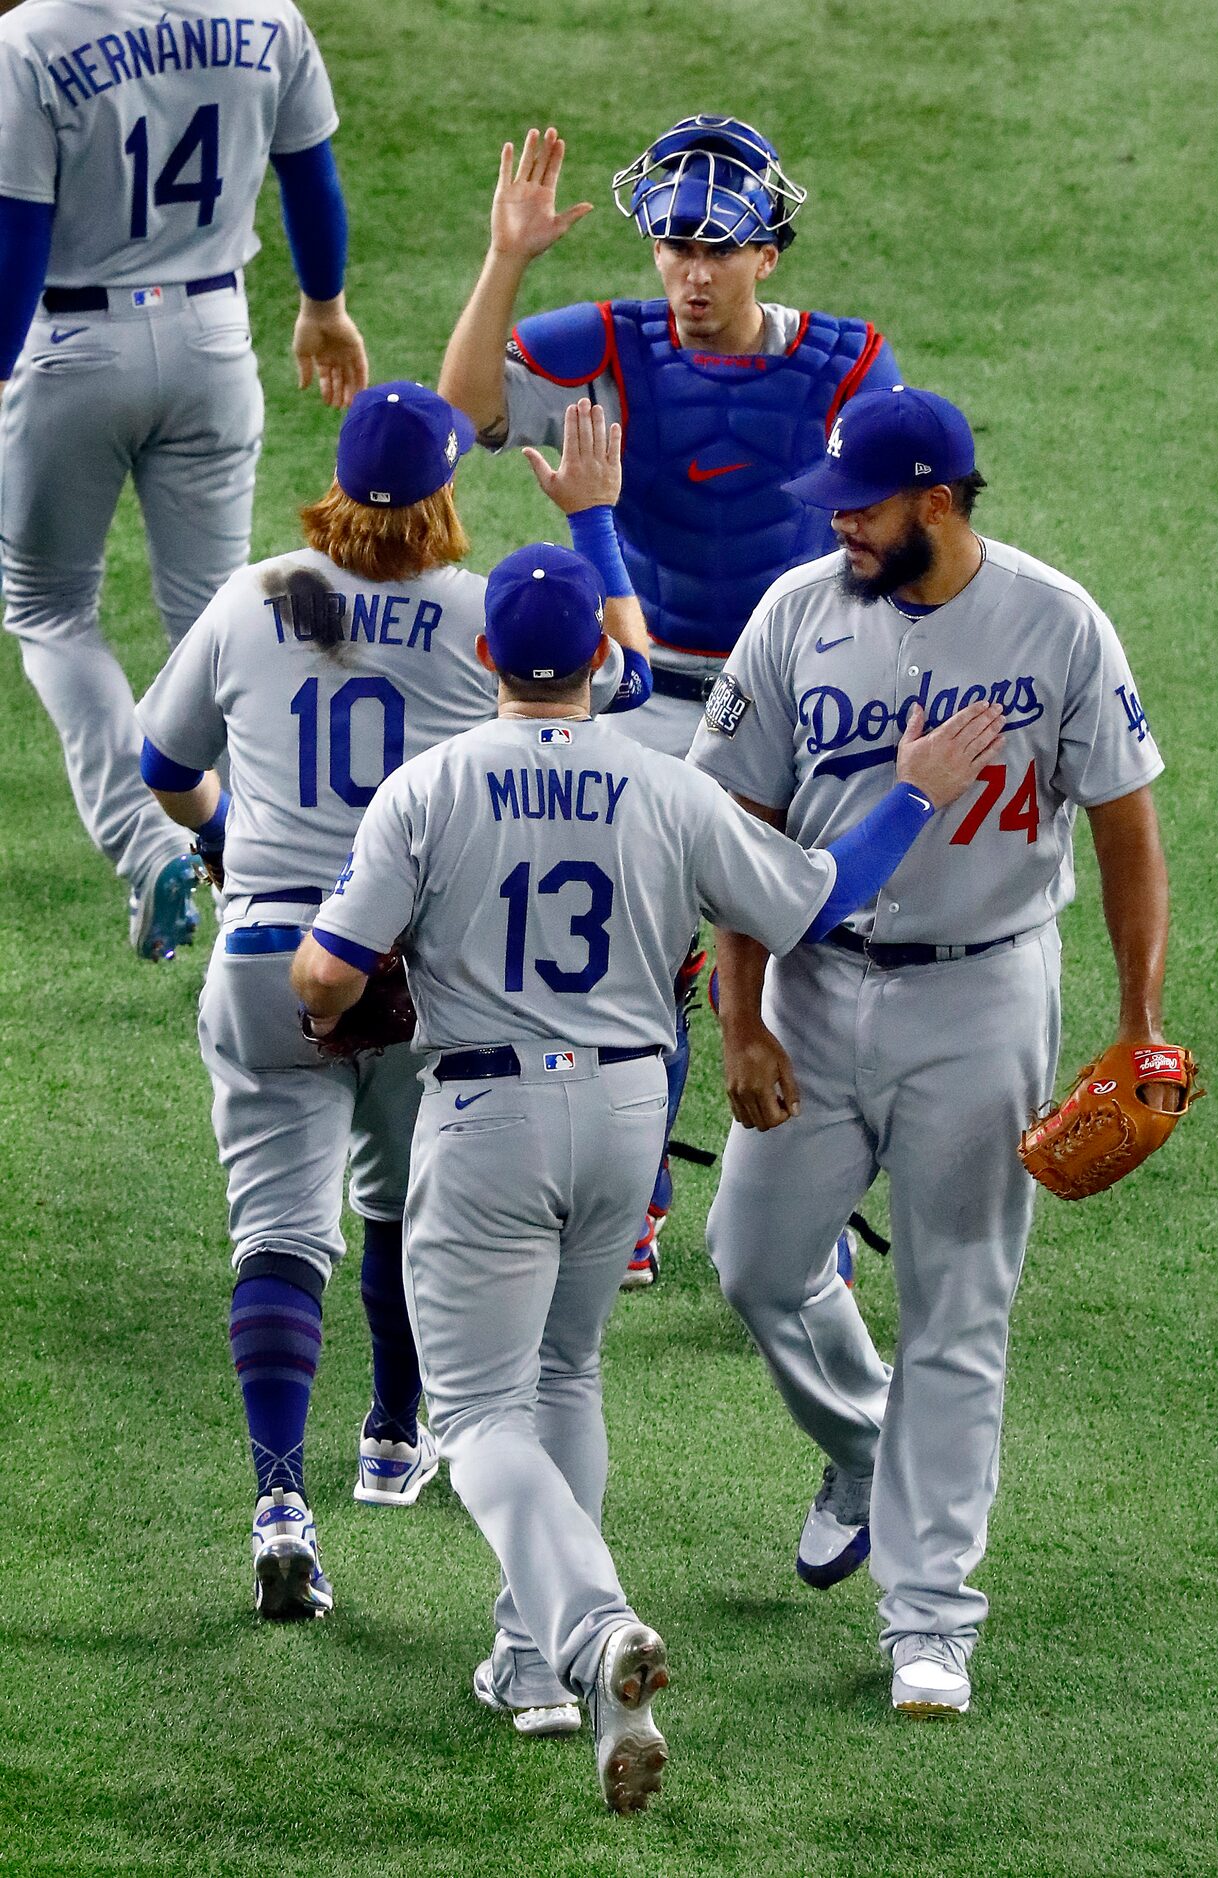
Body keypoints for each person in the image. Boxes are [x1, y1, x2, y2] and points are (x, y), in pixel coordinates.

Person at [290, 537, 1006, 1805]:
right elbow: (814, 900)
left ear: (486, 656)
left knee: (472, 1416)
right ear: (605, 666)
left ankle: (590, 1627)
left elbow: (329, 976)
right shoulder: (667, 784)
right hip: (628, 1111)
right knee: (564, 1371)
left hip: (487, 1116)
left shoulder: (432, 784)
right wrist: (913, 791)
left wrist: (338, 984)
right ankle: (528, 1664)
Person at [687, 383, 1172, 1718]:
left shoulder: (1057, 620)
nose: (837, 519)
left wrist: (1137, 1023)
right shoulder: (795, 615)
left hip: (985, 995)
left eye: (863, 501)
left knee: (961, 1305)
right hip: (813, 987)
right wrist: (737, 1018)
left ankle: (929, 1621)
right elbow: (742, 828)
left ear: (938, 503)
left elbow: (1127, 831)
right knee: (757, 1261)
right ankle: (862, 1443)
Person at [134, 381, 650, 1622]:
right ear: (442, 494)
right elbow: (623, 683)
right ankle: (389, 1434)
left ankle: (277, 1501)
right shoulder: (483, 618)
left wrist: (221, 847)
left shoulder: (256, 595)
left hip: (270, 952)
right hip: (423, 975)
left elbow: (165, 768)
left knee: (275, 1233)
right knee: (413, 1209)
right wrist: (592, 524)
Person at [438, 113, 904, 1283]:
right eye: (674, 246)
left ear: (768, 253)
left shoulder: (850, 364)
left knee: (811, 954)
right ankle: (632, 1203)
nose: (691, 273)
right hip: (646, 691)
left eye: (717, 247)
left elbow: (889, 524)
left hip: (793, 691)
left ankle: (805, 1212)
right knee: (635, 956)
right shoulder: (610, 341)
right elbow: (468, 409)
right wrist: (507, 260)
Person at [0, 0, 369, 960]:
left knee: (48, 611)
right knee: (214, 624)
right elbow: (311, 177)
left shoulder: (34, 38)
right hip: (214, 339)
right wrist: (325, 304)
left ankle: (153, 839)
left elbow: (18, 242)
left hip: (70, 348)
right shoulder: (267, 16)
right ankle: (288, 863)